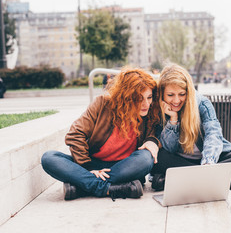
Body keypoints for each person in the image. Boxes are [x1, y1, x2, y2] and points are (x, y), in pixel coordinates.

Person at [41, 67, 160, 201]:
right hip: (93, 164)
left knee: (145, 158)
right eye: (138, 99)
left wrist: (152, 141)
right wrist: (87, 168)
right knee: (49, 158)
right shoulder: (102, 104)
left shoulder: (150, 111)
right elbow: (75, 134)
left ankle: (82, 187)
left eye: (149, 97)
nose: (146, 104)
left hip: (124, 167)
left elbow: (154, 134)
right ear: (126, 96)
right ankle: (110, 188)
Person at [150, 63, 231, 195]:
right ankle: (224, 180)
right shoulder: (159, 108)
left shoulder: (201, 103)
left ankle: (189, 179)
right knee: (157, 157)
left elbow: (213, 133)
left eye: (182, 94)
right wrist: (173, 119)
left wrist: (208, 163)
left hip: (208, 159)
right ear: (162, 94)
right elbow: (169, 148)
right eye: (170, 95)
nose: (176, 100)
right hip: (180, 161)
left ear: (188, 92)